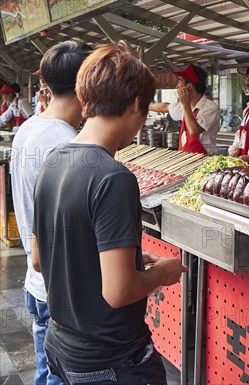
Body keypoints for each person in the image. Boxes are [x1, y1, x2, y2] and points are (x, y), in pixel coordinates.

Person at [31, 41, 187, 384]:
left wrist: (126, 260)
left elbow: (40, 260)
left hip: (62, 346)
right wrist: (162, 273)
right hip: (110, 360)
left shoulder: (52, 162)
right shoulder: (113, 176)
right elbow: (118, 292)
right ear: (136, 104)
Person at [10, 40, 89, 385]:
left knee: (47, 372)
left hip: (37, 283)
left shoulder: (29, 128)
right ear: (87, 83)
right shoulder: (65, 144)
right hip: (61, 290)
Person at [149, 64, 220, 154]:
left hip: (205, 161)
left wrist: (185, 105)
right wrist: (140, 104)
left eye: (180, 81)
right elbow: (165, 107)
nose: (177, 86)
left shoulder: (210, 108)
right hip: (186, 158)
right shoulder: (184, 105)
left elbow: (194, 131)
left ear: (189, 87)